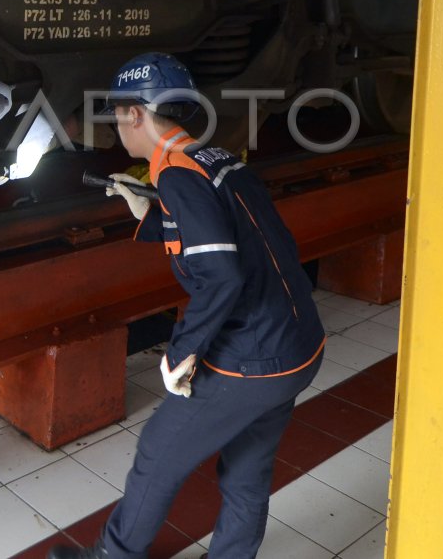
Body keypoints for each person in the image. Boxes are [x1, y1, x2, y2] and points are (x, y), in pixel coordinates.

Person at [50, 52, 325, 559]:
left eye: (117, 114)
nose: (117, 125)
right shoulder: (217, 159)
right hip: (298, 345)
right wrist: (152, 209)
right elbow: (236, 234)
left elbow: (221, 273)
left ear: (136, 114)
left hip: (254, 358)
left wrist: (184, 352)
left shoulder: (177, 176)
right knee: (247, 470)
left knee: (158, 454)